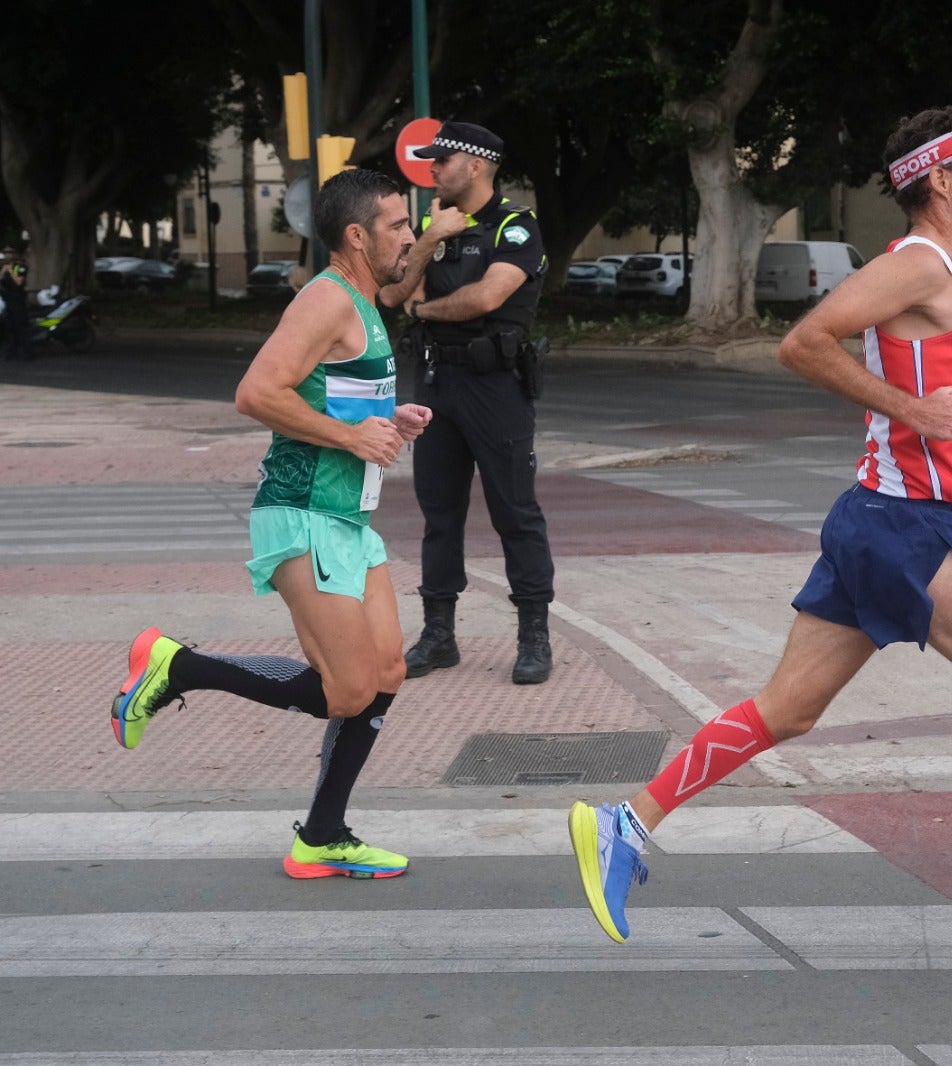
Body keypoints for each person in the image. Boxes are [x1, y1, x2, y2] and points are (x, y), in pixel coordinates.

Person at [567, 104, 952, 965]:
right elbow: (803, 342)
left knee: (787, 708)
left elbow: (946, 382)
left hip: (877, 519)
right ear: (941, 181)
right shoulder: (918, 265)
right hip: (910, 526)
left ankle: (625, 824)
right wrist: (909, 409)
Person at [112, 169, 432, 879]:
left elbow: (334, 395)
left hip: (349, 517)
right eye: (398, 224)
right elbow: (256, 392)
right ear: (357, 235)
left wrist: (387, 420)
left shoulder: (367, 300)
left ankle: (322, 834)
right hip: (303, 512)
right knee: (345, 690)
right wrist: (351, 440)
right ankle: (179, 664)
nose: (410, 234)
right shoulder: (325, 298)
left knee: (386, 671)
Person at [378, 120, 555, 686]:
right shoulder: (431, 224)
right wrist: (427, 242)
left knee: (515, 514)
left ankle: (533, 635)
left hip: (495, 385)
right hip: (435, 382)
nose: (431, 170)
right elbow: (390, 293)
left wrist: (425, 309)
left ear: (474, 165)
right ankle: (438, 635)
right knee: (439, 513)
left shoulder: (516, 227)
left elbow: (486, 297)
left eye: (441, 161)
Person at [1, 251, 35, 361]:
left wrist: (10, 271)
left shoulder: (21, 267)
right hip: (9, 302)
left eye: (9, 254)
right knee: (10, 327)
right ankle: (12, 351)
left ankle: (28, 353)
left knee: (21, 328)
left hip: (18, 302)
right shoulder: (6, 268)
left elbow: (19, 282)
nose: (7, 256)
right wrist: (3, 271)